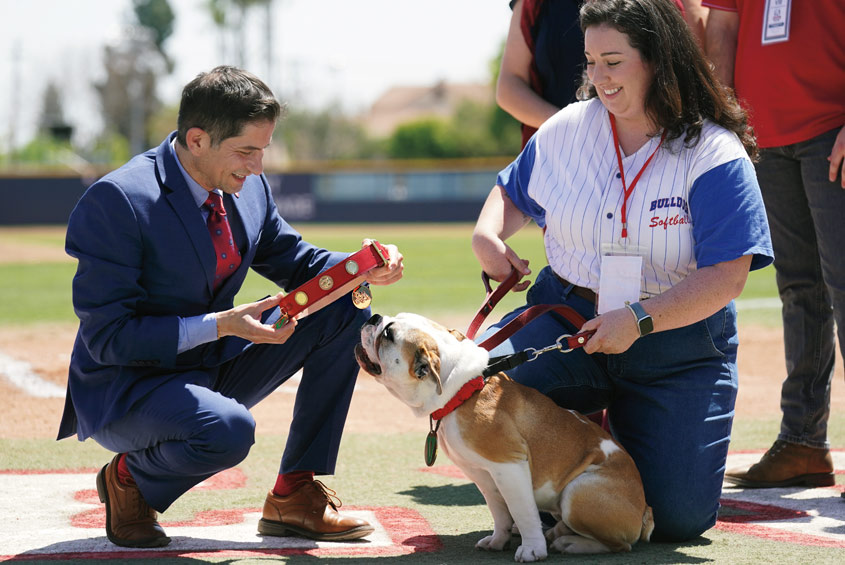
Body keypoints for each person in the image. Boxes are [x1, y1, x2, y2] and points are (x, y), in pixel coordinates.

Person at [57, 65, 404, 548]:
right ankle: (128, 479)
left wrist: (360, 266)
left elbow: (295, 259)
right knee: (227, 432)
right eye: (246, 151)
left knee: (344, 309)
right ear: (196, 139)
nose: (258, 166)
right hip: (128, 386)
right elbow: (108, 338)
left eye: (262, 150)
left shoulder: (249, 188)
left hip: (210, 361)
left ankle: (294, 495)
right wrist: (218, 326)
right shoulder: (118, 200)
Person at [472, 0, 772, 541]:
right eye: (591, 61)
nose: (598, 77)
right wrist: (487, 235)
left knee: (677, 519)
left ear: (657, 58)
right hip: (568, 318)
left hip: (676, 341)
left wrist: (638, 319)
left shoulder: (715, 153)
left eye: (613, 60)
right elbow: (510, 192)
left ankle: (629, 438)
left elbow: (727, 276)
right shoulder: (566, 127)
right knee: (477, 382)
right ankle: (570, 464)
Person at [704, 1, 845, 488]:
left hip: (834, 127)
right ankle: (803, 442)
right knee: (799, 290)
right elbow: (722, 24)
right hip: (762, 135)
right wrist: (719, 119)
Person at [497, 0, 698, 149]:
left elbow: (688, 75)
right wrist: (579, 129)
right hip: (558, 154)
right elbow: (508, 88)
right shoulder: (535, 4)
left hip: (650, 150)